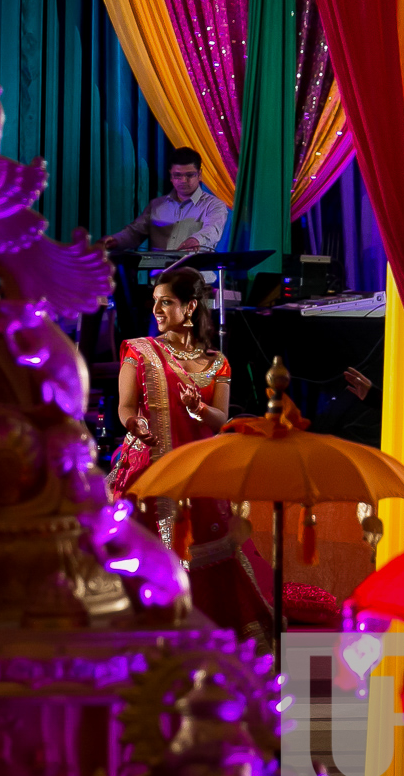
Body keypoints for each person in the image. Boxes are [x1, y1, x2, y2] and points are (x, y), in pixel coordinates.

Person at [108, 268, 275, 645]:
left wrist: (197, 407)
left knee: (207, 559)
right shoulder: (140, 351)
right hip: (149, 472)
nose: (156, 309)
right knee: (148, 559)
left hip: (198, 476)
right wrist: (134, 424)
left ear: (190, 307)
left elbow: (219, 419)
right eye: (154, 302)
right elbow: (125, 407)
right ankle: (148, 641)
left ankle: (200, 638)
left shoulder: (217, 363)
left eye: (166, 301)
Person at [103, 147, 228, 253]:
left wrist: (196, 240)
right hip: (161, 279)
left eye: (190, 175)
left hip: (198, 279)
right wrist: (115, 240)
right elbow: (134, 233)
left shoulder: (214, 205)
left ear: (200, 174)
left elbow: (212, 229)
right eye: (178, 175)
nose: (183, 181)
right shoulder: (156, 205)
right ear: (171, 176)